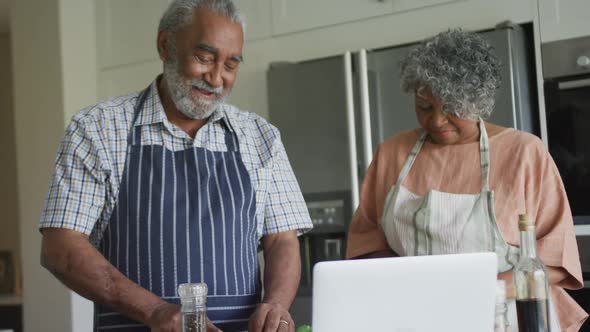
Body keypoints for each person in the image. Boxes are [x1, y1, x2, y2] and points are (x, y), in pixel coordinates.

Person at [39, 1, 312, 331]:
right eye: (205, 57)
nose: (216, 77)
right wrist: (154, 311)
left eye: (230, 65)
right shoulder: (97, 129)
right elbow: (61, 247)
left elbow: (282, 240)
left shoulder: (260, 137)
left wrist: (276, 305)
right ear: (165, 45)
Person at [345, 29, 588, 331]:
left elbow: (554, 260)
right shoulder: (392, 153)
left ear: (479, 101)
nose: (436, 120)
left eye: (452, 107)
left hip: (510, 318)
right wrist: (412, 283)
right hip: (420, 317)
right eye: (425, 107)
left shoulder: (524, 153)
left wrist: (477, 291)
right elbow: (366, 244)